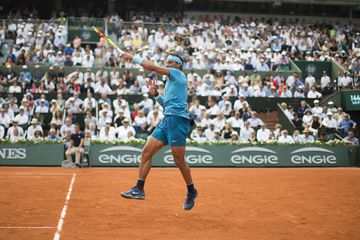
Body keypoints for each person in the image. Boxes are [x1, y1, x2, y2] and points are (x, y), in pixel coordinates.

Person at [120, 52, 197, 211]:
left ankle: (191, 191)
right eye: (166, 61)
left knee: (179, 160)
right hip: (167, 120)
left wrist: (131, 56)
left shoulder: (178, 74)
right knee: (146, 152)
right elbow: (166, 105)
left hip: (178, 122)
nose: (167, 64)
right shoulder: (170, 83)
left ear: (178, 65)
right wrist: (155, 94)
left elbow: (152, 66)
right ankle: (139, 189)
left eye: (171, 62)